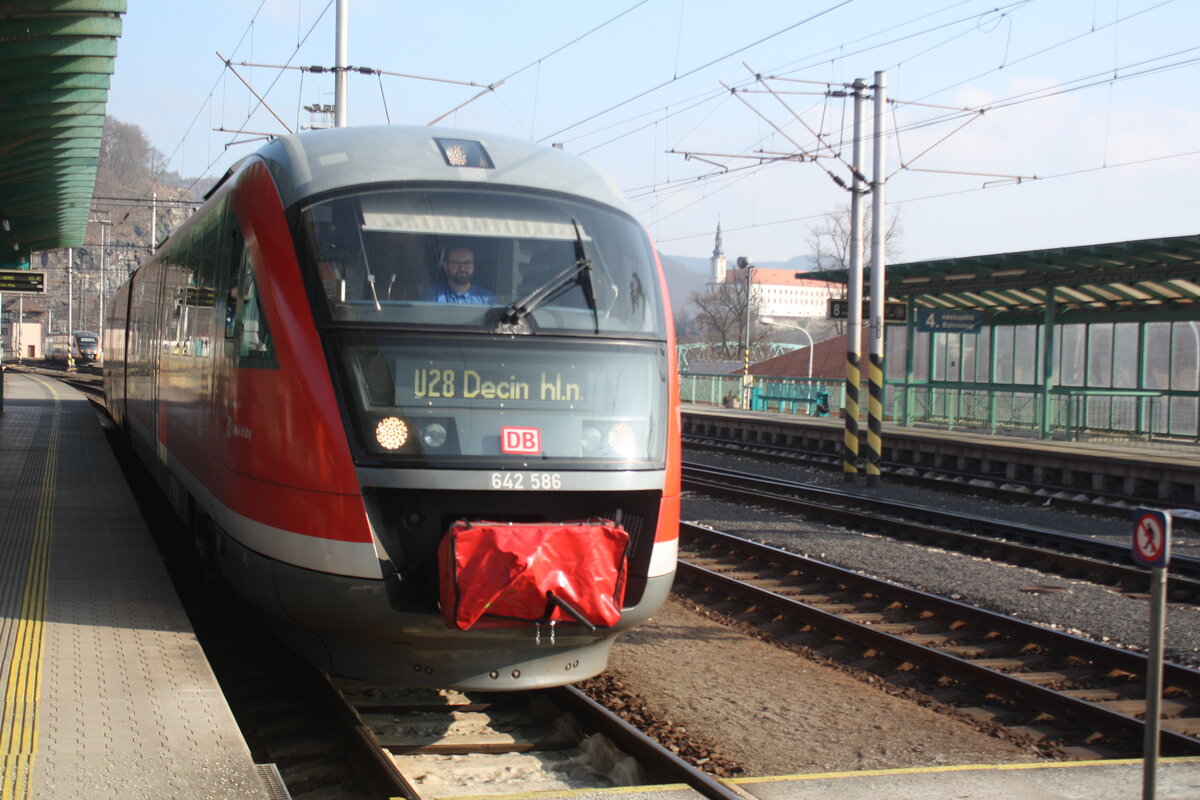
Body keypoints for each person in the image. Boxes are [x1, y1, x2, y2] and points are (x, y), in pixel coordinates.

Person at [421, 246, 496, 304]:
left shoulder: (487, 299)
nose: (462, 268)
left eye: (467, 263)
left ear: (474, 266)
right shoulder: (432, 295)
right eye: (456, 263)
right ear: (445, 265)